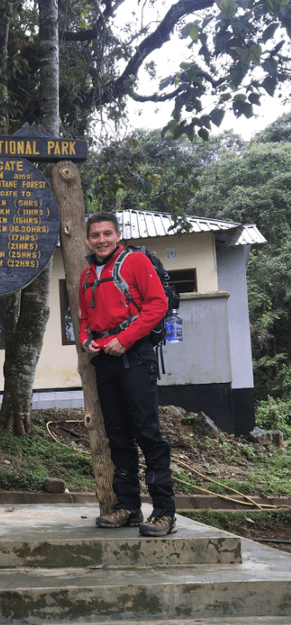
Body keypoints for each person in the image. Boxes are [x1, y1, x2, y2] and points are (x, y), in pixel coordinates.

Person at [78, 211, 176, 537]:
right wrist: (85, 340)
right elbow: (83, 319)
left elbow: (157, 305)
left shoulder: (134, 262)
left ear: (117, 235)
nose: (102, 240)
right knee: (117, 436)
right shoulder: (87, 276)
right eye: (95, 235)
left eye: (107, 233)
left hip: (135, 356)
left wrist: (125, 338)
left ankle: (164, 512)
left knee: (147, 433)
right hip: (104, 362)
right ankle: (129, 506)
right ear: (88, 239)